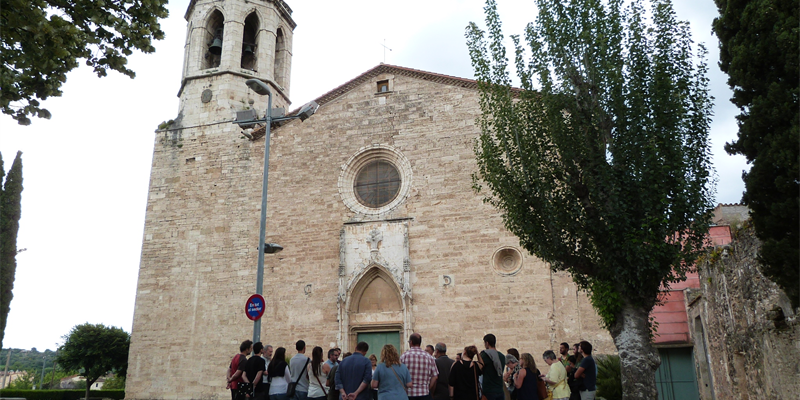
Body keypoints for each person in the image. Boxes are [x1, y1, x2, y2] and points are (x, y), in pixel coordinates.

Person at [400, 333, 439, 400]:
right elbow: (435, 376)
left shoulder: (404, 356)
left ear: (411, 342)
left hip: (409, 393)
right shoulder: (429, 357)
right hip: (424, 393)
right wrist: (428, 387)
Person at [479, 334, 505, 400]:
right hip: (500, 389)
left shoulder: (485, 355)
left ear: (487, 343)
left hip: (489, 390)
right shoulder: (502, 356)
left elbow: (479, 368)